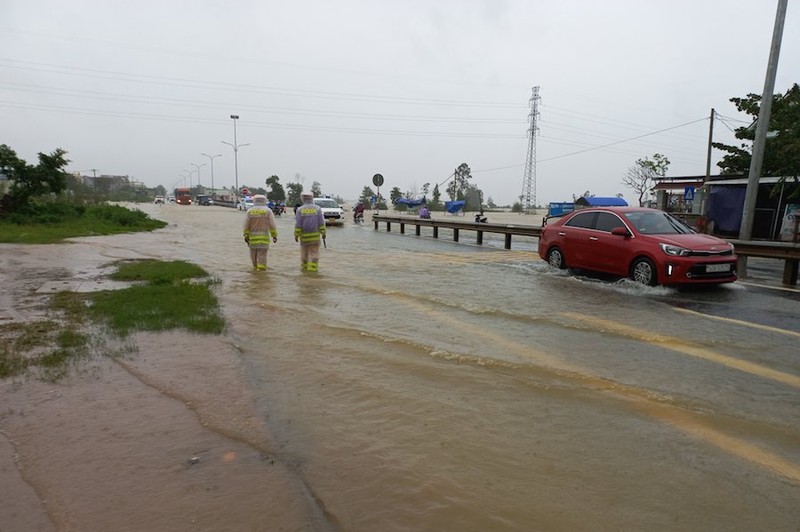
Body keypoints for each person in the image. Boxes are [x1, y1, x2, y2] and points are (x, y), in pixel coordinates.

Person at [243, 194, 278, 271]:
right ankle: (261, 275)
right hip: (263, 239)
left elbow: (246, 225)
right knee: (262, 258)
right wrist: (274, 235)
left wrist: (246, 235)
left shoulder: (250, 211)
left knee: (253, 258)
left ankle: (255, 274)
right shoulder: (268, 211)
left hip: (252, 239)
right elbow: (272, 225)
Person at [294, 190, 326, 272]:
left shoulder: (300, 210)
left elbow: (298, 224)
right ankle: (313, 270)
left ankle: (304, 269)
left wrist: (296, 234)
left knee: (304, 254)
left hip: (304, 237)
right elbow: (321, 223)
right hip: (315, 237)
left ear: (302, 198)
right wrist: (323, 232)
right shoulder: (317, 209)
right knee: (314, 253)